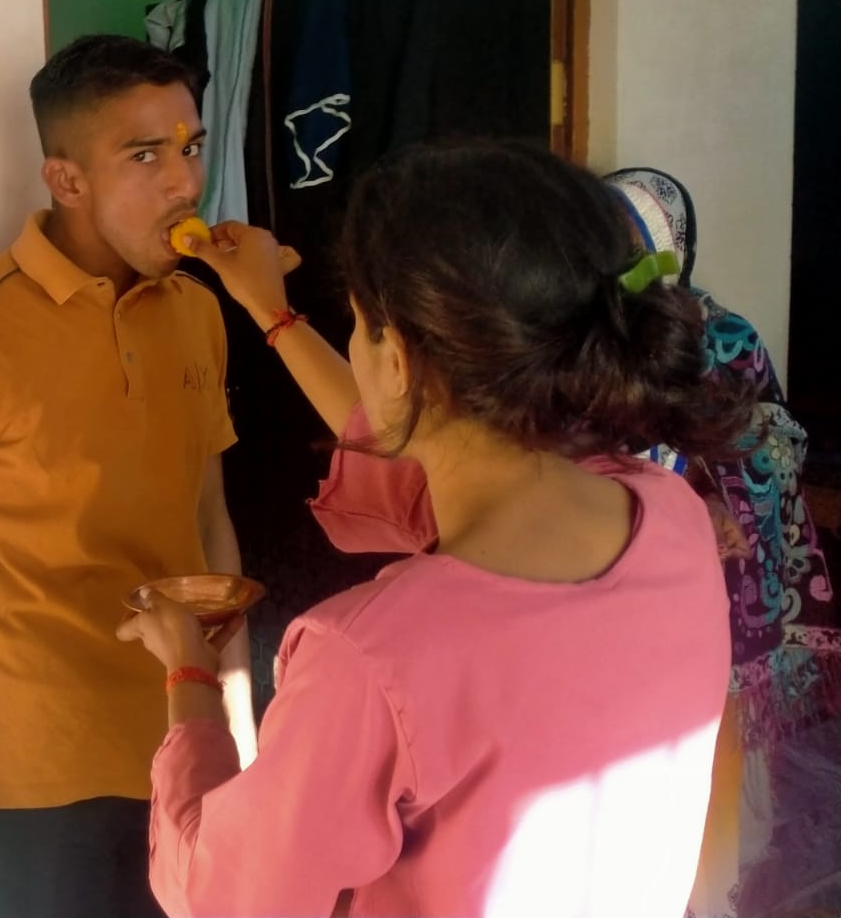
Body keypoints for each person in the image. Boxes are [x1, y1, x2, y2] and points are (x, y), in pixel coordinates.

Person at [117, 142, 756, 917]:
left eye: (358, 324)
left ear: (398, 361)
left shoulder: (372, 660)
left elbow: (225, 896)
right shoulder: (670, 517)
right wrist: (271, 314)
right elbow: (419, 446)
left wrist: (189, 673)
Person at [0, 35, 254, 918]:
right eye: (145, 156)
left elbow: (210, 520)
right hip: (30, 776)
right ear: (66, 180)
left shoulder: (199, 312)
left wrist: (238, 724)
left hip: (182, 738)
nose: (184, 183)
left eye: (191, 148)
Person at [607, 167, 840, 918]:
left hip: (716, 586)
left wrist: (709, 487)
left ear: (667, 247)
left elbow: (773, 444)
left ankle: (709, 898)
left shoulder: (725, 338)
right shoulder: (588, 345)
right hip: (625, 578)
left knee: (710, 760)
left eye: (626, 240)